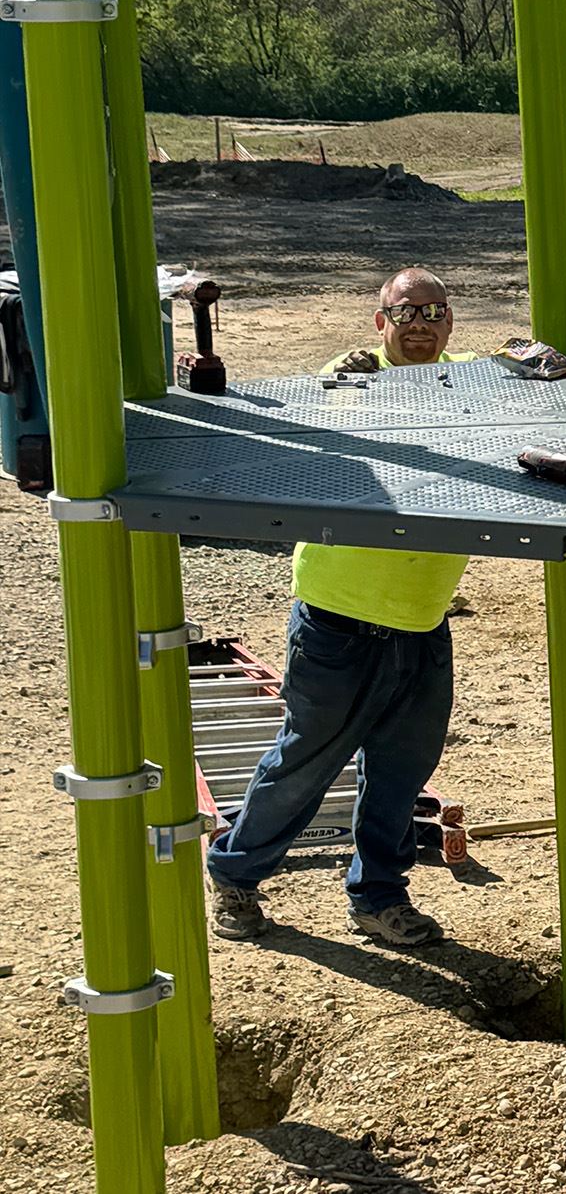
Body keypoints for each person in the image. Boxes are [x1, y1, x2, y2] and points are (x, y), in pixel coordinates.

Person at [207, 268, 475, 947]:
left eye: (433, 311)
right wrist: (346, 390)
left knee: (401, 770)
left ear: (449, 324)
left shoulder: (469, 376)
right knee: (306, 761)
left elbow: (532, 379)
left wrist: (539, 361)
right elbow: (314, 420)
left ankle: (379, 897)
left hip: (421, 617)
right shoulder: (351, 374)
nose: (420, 323)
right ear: (380, 322)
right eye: (405, 311)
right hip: (340, 613)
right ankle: (235, 875)